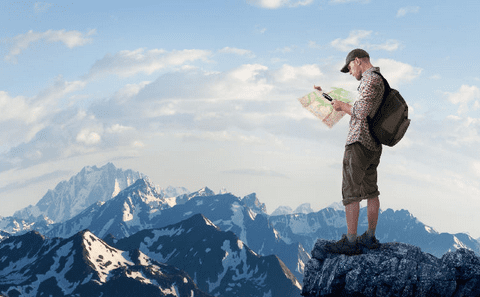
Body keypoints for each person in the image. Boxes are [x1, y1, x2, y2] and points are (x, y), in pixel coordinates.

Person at [314, 49, 384, 255]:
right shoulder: (380, 81)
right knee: (371, 190)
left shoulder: (370, 80)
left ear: (357, 61)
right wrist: (324, 95)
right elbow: (365, 109)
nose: (351, 72)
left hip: (358, 142)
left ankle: (351, 242)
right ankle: (370, 237)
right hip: (374, 144)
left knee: (350, 190)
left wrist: (343, 106)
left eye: (350, 68)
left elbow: (360, 112)